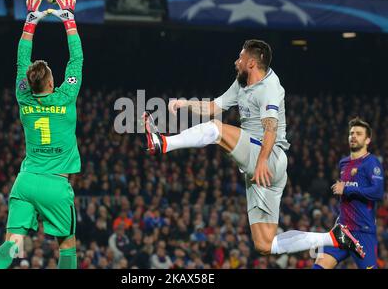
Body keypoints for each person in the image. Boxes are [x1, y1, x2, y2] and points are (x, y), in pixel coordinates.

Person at [143, 39, 364, 259]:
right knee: (265, 244)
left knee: (217, 130)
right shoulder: (242, 82)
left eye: (240, 57)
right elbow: (214, 107)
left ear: (250, 63)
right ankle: (333, 237)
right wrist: (185, 103)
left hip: (269, 158)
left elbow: (271, 128)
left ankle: (162, 143)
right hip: (264, 171)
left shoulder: (269, 87)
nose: (236, 61)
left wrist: (261, 162)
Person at [0, 0, 83, 269]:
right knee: (67, 246)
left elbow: (21, 62)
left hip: (26, 180)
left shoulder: (24, 96)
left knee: (13, 242)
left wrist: (30, 22)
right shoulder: (66, 97)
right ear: (53, 83)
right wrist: (69, 21)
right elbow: (75, 61)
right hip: (55, 184)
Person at [314, 118, 384, 269]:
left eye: (359, 134)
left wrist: (347, 189)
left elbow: (377, 192)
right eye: (351, 133)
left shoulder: (372, 162)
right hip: (342, 231)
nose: (353, 136)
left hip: (363, 233)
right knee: (319, 265)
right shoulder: (343, 163)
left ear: (367, 140)